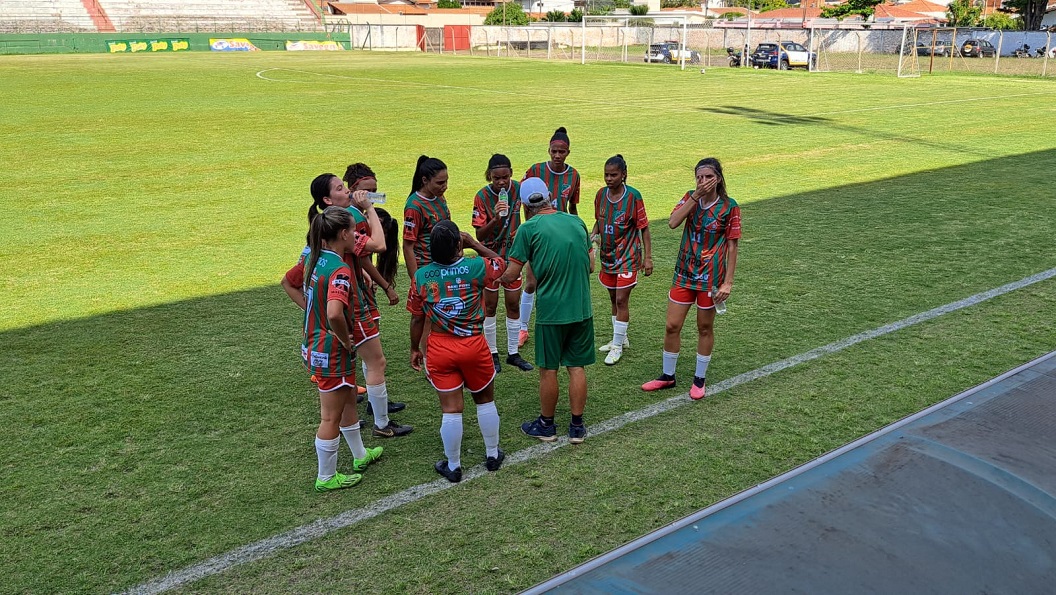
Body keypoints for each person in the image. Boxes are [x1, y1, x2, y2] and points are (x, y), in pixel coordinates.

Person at [283, 173, 413, 439]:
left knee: (346, 380)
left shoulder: (320, 238)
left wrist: (312, 310)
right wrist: (369, 208)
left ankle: (358, 436)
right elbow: (379, 245)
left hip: (332, 322)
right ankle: (382, 423)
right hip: (353, 310)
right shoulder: (341, 237)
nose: (348, 191)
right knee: (376, 362)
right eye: (341, 188)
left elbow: (290, 281)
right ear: (328, 200)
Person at [408, 220, 507, 483]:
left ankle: (453, 466)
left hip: (440, 347)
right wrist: (474, 243)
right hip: (473, 345)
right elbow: (501, 264)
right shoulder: (475, 267)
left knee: (451, 409)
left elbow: (417, 318)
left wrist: (414, 348)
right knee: (485, 400)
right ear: (458, 245)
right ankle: (492, 454)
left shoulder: (420, 276)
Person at [293, 206, 383, 492]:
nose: (356, 233)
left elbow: (288, 282)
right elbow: (334, 313)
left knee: (346, 402)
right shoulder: (339, 270)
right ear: (343, 233)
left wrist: (311, 310)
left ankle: (359, 455)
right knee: (329, 416)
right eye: (354, 230)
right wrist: (346, 340)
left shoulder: (312, 258)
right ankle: (326, 477)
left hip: (314, 344)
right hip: (331, 350)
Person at [500, 177, 595, 444]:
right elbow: (590, 265)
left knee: (548, 369)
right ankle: (577, 427)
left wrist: (490, 273)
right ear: (549, 198)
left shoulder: (528, 229)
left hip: (552, 312)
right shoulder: (576, 222)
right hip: (582, 309)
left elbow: (511, 275)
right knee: (576, 367)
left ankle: (547, 425)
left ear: (524, 205)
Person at [641, 158, 741, 400]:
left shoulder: (729, 206)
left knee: (704, 327)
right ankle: (668, 376)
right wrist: (696, 195)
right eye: (699, 177)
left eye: (708, 177)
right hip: (684, 275)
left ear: (718, 178)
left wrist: (728, 282)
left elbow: (732, 245)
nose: (703, 181)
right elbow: (673, 222)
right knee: (672, 325)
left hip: (711, 279)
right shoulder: (690, 197)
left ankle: (699, 379)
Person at [342, 163, 409, 422]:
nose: (372, 196)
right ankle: (380, 420)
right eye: (367, 191)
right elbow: (368, 256)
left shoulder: (347, 214)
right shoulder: (357, 217)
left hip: (355, 290)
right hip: (358, 295)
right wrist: (386, 286)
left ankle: (372, 401)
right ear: (353, 189)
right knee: (375, 358)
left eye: (375, 191)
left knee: (368, 355)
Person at [518, 127, 582, 348]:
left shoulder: (573, 175)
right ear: (548, 150)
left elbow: (572, 208)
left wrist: (579, 232)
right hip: (539, 235)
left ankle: (561, 326)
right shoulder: (534, 171)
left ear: (568, 153)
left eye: (561, 152)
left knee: (559, 282)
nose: (557, 155)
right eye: (553, 151)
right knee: (531, 282)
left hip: (563, 238)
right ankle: (523, 328)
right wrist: (529, 231)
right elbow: (524, 204)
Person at [471, 154, 533, 373]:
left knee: (513, 304)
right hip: (489, 258)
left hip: (513, 258)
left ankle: (513, 354)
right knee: (489, 306)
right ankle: (492, 353)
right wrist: (496, 219)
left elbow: (533, 210)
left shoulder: (519, 189)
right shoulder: (482, 197)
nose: (501, 182)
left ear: (511, 174)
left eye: (505, 177)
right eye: (496, 178)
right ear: (490, 176)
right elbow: (479, 235)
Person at [590, 154, 653, 366]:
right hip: (607, 257)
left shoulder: (633, 197)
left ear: (623, 175)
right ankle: (621, 338)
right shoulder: (600, 195)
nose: (608, 178)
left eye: (613, 175)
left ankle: (616, 346)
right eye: (606, 175)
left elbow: (644, 228)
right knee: (612, 298)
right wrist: (592, 237)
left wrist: (648, 258)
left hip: (628, 257)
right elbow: (598, 221)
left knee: (621, 300)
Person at [403, 155, 452, 368]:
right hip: (426, 270)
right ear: (425, 180)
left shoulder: (439, 199)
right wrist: (416, 278)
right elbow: (407, 245)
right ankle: (428, 363)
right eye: (440, 183)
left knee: (440, 316)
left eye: (446, 181)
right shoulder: (414, 206)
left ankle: (437, 358)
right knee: (425, 318)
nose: (445, 187)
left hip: (443, 267)